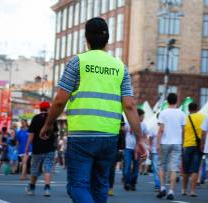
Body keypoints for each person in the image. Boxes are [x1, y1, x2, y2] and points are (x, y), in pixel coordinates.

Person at [39, 17, 146, 203]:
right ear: (108, 39)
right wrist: (139, 139)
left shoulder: (77, 63)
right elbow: (129, 106)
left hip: (81, 136)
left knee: (77, 186)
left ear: (86, 38)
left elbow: (59, 102)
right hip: (109, 138)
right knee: (100, 187)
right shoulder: (120, 67)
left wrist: (48, 124)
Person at [25, 101, 58, 196]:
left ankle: (32, 188)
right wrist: (55, 144)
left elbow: (31, 134)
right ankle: (47, 188)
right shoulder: (52, 119)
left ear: (40, 109)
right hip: (50, 148)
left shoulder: (35, 118)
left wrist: (27, 146)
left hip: (37, 148)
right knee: (48, 168)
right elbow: (55, 134)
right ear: (48, 108)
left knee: (35, 169)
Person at [156, 93, 186, 200]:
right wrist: (182, 143)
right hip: (177, 142)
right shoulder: (182, 113)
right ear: (176, 101)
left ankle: (163, 188)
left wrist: (157, 144)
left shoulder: (163, 113)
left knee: (161, 165)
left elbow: (161, 130)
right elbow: (183, 130)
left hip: (165, 142)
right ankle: (171, 191)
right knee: (174, 168)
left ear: (167, 101)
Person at [182, 102, 205, 197]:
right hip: (198, 146)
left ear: (189, 109)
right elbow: (204, 132)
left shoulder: (185, 119)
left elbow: (182, 132)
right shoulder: (203, 117)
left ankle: (184, 190)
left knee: (186, 170)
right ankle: (193, 191)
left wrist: (182, 144)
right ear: (197, 108)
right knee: (195, 169)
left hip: (187, 145)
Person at [123, 109, 148, 191]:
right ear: (138, 116)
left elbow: (145, 136)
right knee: (127, 167)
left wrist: (144, 146)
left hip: (138, 149)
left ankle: (133, 183)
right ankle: (127, 182)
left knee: (136, 167)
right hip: (128, 148)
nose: (143, 117)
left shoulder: (143, 125)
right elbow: (124, 132)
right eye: (142, 116)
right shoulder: (128, 123)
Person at [149, 120, 161, 191]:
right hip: (155, 151)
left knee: (160, 169)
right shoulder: (153, 127)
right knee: (156, 169)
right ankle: (158, 184)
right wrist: (150, 148)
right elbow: (150, 138)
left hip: (163, 151)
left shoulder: (167, 127)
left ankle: (160, 184)